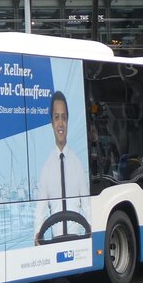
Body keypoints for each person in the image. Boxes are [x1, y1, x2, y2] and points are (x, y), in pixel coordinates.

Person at [33, 91, 90, 245]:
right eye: (56, 117)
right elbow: (40, 211)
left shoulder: (78, 165)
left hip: (79, 240)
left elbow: (87, 206)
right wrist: (37, 235)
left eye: (63, 117)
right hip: (55, 242)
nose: (60, 123)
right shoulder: (46, 169)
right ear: (51, 122)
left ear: (67, 121)